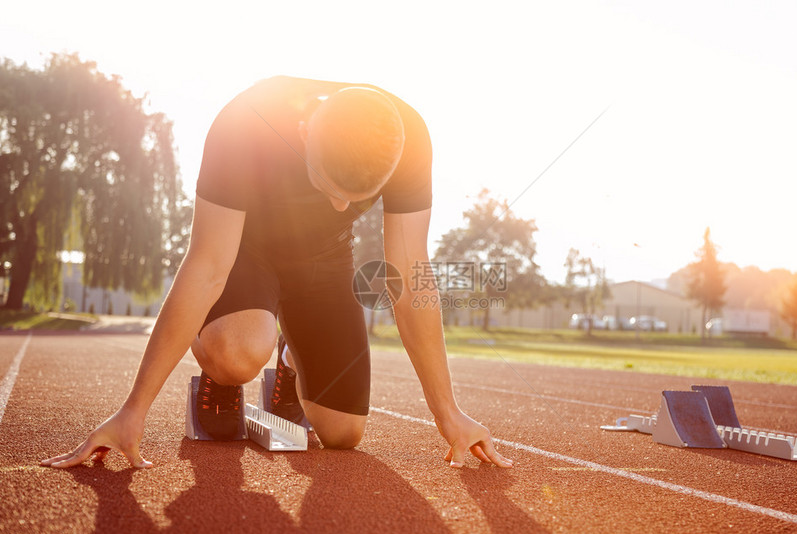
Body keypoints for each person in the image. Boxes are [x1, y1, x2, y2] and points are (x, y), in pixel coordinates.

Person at [41, 76, 513, 470]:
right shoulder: (245, 124)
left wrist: (447, 412)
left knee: (343, 433)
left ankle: (289, 360)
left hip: (326, 262)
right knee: (241, 353)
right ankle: (222, 371)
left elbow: (411, 275)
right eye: (329, 186)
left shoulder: (406, 137)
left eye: (356, 197)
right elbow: (206, 265)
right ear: (305, 131)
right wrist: (133, 409)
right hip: (246, 250)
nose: (339, 206)